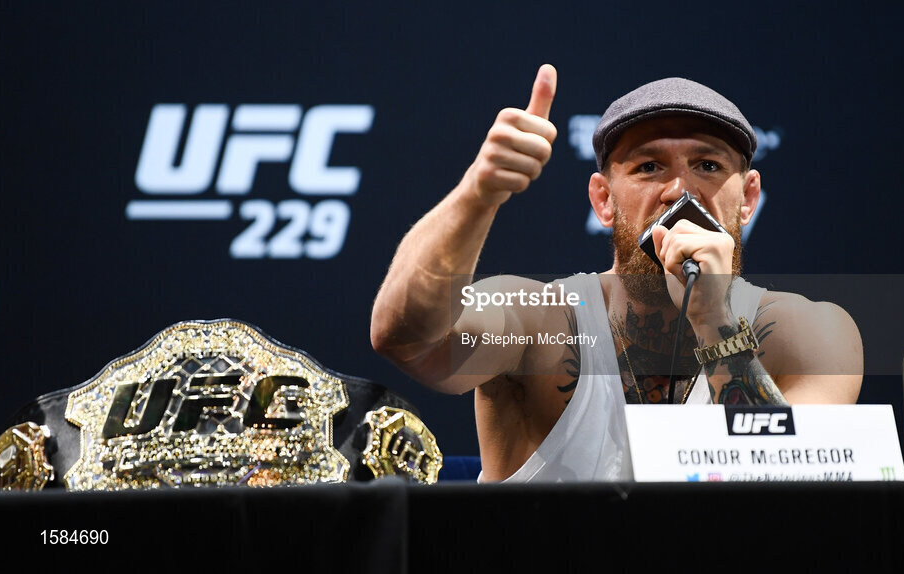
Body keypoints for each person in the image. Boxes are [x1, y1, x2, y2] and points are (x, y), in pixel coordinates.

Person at [370, 64, 863, 482]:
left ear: (749, 198)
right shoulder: (539, 320)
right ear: (604, 200)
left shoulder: (806, 332)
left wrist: (714, 316)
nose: (679, 192)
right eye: (649, 167)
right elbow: (409, 341)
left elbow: (796, 494)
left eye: (708, 165)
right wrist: (477, 194)